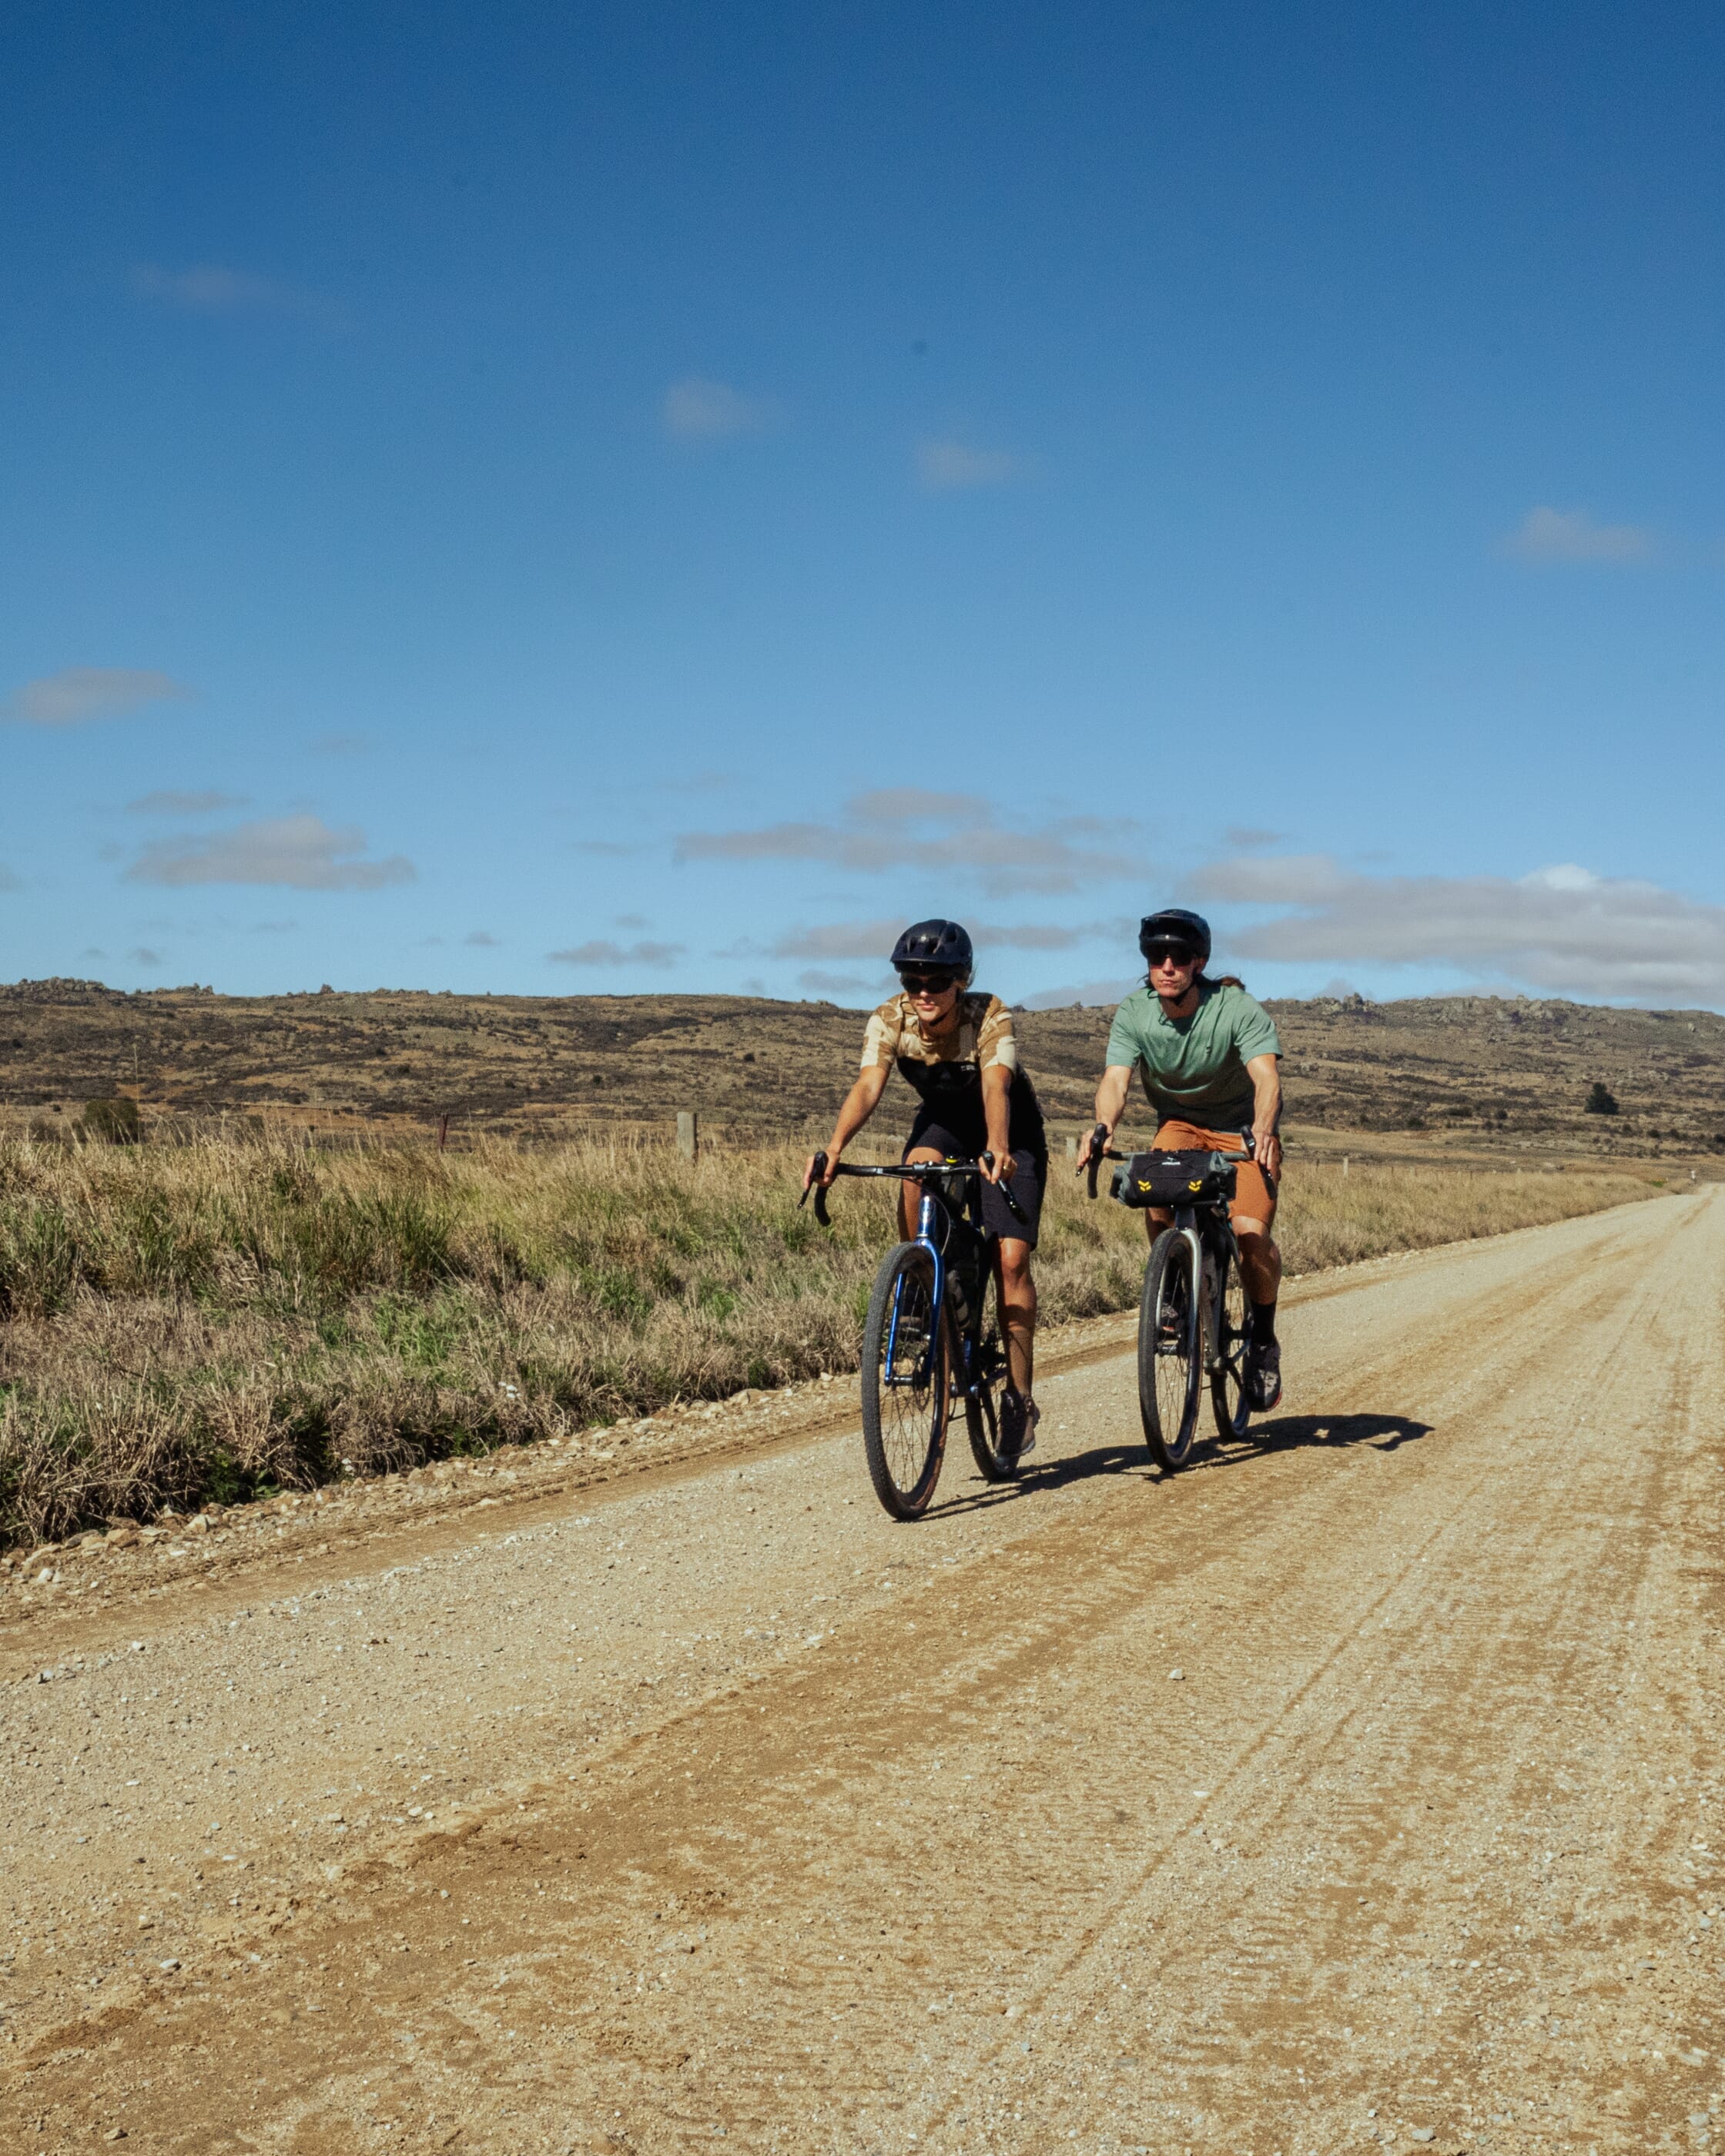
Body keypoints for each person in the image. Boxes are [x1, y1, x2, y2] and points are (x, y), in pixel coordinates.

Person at [806, 919, 1049, 1455]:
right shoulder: (890, 1018)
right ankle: (921, 1280)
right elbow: (868, 1085)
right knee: (914, 1170)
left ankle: (1019, 1398)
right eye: (912, 981)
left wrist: (999, 1146)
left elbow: (996, 1086)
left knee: (1011, 1261)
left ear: (961, 981)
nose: (923, 993)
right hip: (945, 1124)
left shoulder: (989, 1014)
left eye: (936, 982)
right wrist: (835, 1148)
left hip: (1010, 1129)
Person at [1076, 908, 1286, 1411]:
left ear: (1199, 962)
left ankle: (1262, 1339)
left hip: (1240, 1131)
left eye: (1178, 957)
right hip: (1181, 1125)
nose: (1167, 966)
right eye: (1156, 956)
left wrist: (1263, 1130)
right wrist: (1103, 1127)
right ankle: (1175, 1287)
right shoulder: (1135, 1012)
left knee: (1250, 1234)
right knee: (1155, 1195)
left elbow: (1267, 1078)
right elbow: (1116, 1080)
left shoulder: (1235, 1008)